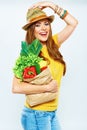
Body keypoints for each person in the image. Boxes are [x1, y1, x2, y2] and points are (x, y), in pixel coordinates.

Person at [12, 1, 78, 130]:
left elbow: (73, 23)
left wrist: (51, 5)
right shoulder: (28, 55)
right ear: (32, 30)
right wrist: (47, 87)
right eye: (38, 25)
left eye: (46, 24)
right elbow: (16, 87)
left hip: (52, 112)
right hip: (36, 114)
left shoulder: (53, 44)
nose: (44, 28)